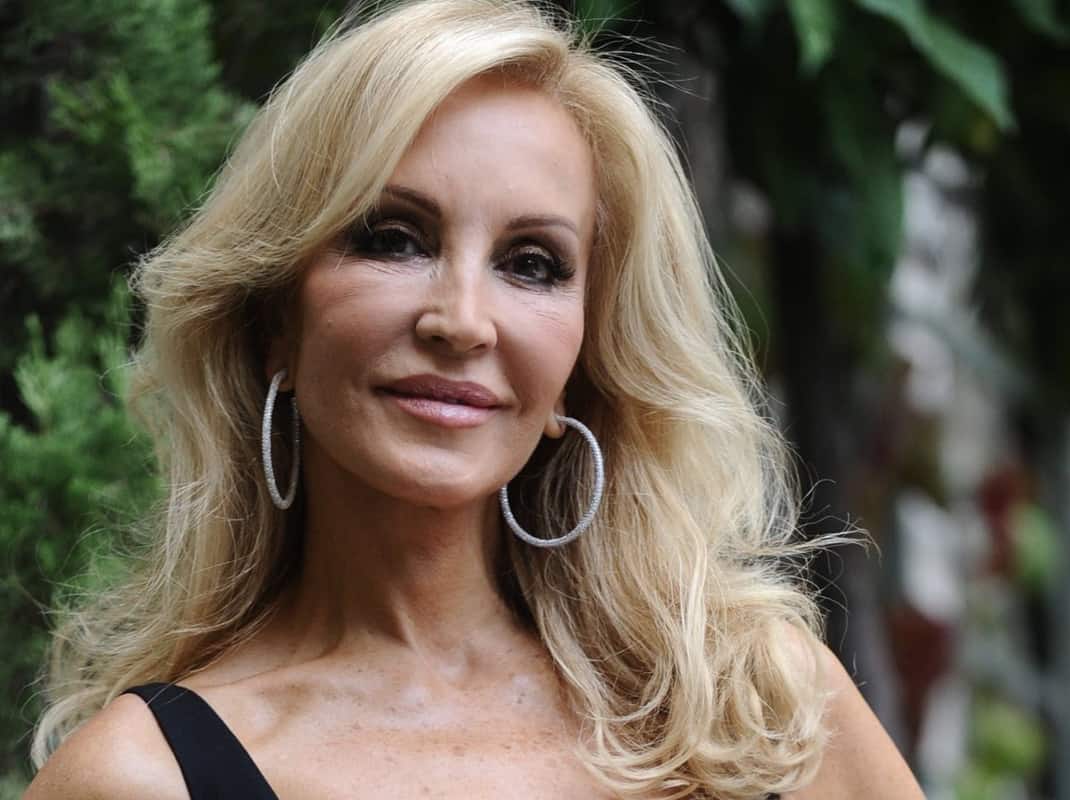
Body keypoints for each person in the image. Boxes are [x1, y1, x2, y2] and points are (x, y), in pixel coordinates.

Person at [24, 1, 926, 798]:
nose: (460, 321)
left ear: (584, 360)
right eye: (392, 238)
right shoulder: (138, 779)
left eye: (532, 264)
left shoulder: (756, 708)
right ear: (275, 328)